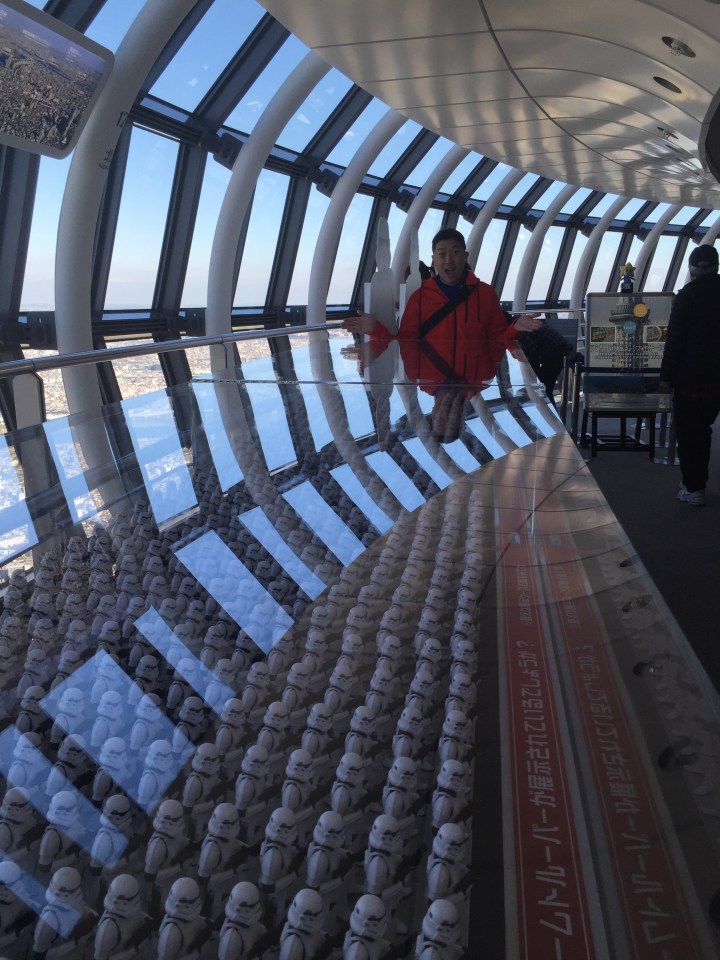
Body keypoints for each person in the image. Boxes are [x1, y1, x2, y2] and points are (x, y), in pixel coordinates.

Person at [343, 228, 543, 354]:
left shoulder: (486, 294)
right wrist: (374, 329)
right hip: (436, 381)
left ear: (465, 256)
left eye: (455, 253)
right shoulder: (419, 299)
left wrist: (516, 328)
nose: (448, 260)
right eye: (442, 254)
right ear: (434, 259)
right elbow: (405, 344)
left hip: (473, 384)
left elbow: (498, 338)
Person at [659, 243, 720, 505]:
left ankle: (693, 486)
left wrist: (666, 378)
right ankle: (695, 484)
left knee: (688, 432)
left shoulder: (687, 296)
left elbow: (675, 341)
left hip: (691, 378)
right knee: (703, 429)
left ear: (692, 269)